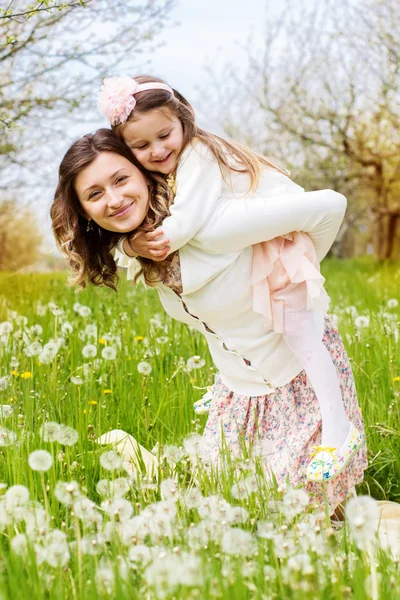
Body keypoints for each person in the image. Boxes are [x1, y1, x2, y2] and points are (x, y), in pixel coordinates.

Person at [51, 128, 367, 517]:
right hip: (239, 396)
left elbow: (330, 206)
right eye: (95, 194)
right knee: (228, 512)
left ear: (143, 174)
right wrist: (127, 244)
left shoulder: (217, 224)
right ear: (83, 210)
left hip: (301, 382)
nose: (114, 199)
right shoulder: (141, 244)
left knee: (309, 522)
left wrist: (295, 274)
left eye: (120, 179)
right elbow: (123, 249)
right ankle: (137, 456)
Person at [96, 75, 365, 483]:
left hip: (278, 249)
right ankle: (229, 387)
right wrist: (129, 247)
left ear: (184, 120)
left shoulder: (199, 154)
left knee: (302, 334)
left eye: (164, 135)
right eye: (142, 146)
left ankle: (336, 425)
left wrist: (148, 243)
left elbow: (188, 220)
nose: (157, 150)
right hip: (260, 274)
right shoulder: (166, 176)